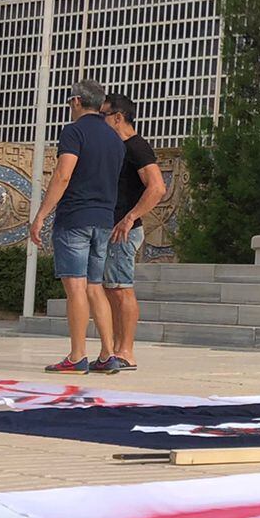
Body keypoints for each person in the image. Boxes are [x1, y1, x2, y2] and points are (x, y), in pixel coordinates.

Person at [28, 78, 124, 373]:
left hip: (75, 219)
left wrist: (41, 214)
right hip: (104, 219)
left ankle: (77, 355)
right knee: (96, 287)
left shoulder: (73, 132)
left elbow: (63, 175)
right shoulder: (115, 139)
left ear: (77, 102)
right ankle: (108, 354)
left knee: (76, 289)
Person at [93, 93, 166, 373]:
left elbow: (157, 187)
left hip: (124, 232)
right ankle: (112, 350)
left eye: (104, 116)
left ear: (118, 117)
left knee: (121, 290)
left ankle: (127, 351)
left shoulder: (136, 147)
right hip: (112, 229)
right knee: (111, 290)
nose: (101, 121)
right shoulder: (119, 148)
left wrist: (130, 218)